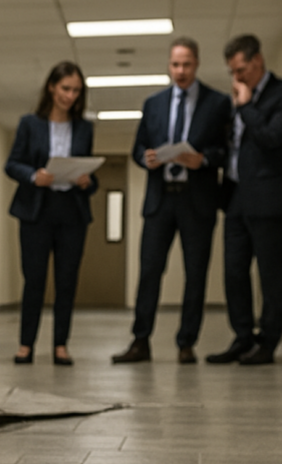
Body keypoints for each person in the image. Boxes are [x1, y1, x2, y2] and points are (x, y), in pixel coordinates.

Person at [112, 37, 231, 365]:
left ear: (197, 64)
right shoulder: (154, 104)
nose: (181, 71)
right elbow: (138, 148)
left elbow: (227, 151)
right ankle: (140, 341)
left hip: (197, 201)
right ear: (169, 65)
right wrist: (146, 158)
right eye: (175, 64)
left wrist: (203, 160)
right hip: (159, 201)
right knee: (149, 271)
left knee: (196, 274)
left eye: (187, 64)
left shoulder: (217, 103)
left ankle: (186, 343)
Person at [206, 34, 282, 365]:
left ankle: (268, 341)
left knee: (269, 272)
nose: (237, 77)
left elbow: (273, 139)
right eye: (233, 71)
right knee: (233, 271)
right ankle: (242, 336)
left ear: (258, 61)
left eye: (242, 69)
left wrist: (246, 106)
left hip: (268, 198)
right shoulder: (234, 98)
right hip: (235, 196)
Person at [5, 62, 99, 366]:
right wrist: (34, 176)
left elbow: (90, 174)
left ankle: (60, 344)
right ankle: (26, 344)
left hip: (71, 210)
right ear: (51, 87)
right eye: (65, 89)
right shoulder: (29, 124)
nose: (70, 96)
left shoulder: (84, 128)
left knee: (66, 280)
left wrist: (87, 180)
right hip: (36, 210)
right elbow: (12, 163)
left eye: (76, 91)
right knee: (34, 279)